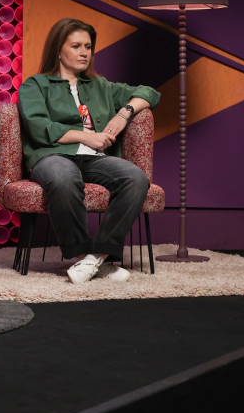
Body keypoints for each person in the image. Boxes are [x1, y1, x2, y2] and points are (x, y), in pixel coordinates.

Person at [18, 18, 160, 284]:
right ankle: (84, 255)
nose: (84, 52)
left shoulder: (100, 86)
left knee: (136, 178)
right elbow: (38, 127)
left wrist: (123, 114)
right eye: (76, 46)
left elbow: (149, 93)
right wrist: (88, 137)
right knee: (63, 177)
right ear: (58, 50)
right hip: (53, 156)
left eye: (88, 46)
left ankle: (97, 257)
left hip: (95, 159)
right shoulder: (35, 85)